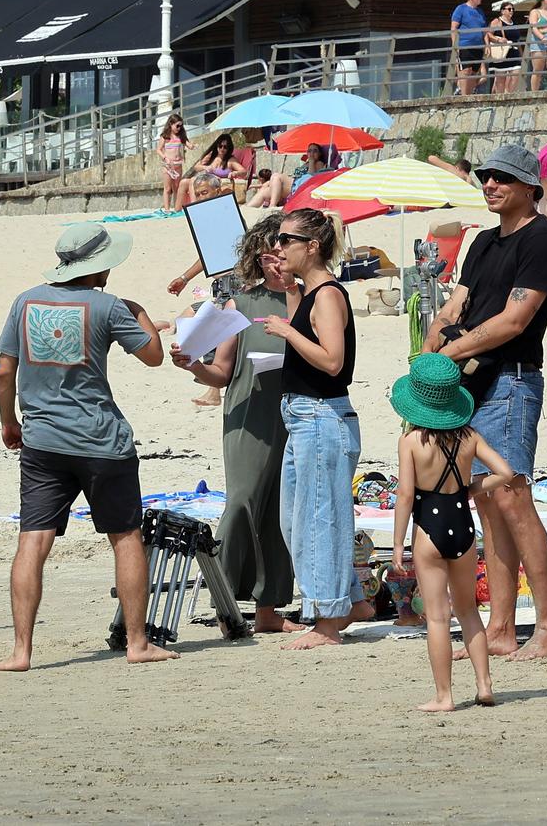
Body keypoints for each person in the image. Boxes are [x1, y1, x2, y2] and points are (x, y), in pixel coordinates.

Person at [0, 223, 173, 670]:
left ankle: (21, 651)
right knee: (125, 536)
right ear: (101, 265)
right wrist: (141, 311)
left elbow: (3, 373)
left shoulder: (26, 301)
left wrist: (8, 422)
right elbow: (153, 356)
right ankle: (137, 642)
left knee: (32, 541)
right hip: (101, 441)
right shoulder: (111, 307)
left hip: (43, 440)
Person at [423, 142, 547, 660]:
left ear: (530, 187)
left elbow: (515, 320)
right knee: (486, 502)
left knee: (512, 497)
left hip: (510, 378)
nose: (489, 184)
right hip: (470, 382)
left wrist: (451, 350)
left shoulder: (544, 239)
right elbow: (457, 303)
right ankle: (502, 628)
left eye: (502, 178)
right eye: (486, 176)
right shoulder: (483, 241)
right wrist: (431, 350)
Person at [167, 213, 294, 631]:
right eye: (272, 254)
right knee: (241, 501)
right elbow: (221, 371)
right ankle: (226, 603)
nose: (279, 261)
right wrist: (192, 368)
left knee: (279, 509)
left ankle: (269, 611)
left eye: (284, 252)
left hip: (296, 411)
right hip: (248, 412)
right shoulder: (242, 302)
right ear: (259, 257)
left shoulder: (311, 297)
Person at [258, 208, 365, 650]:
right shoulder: (312, 294)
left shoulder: (329, 295)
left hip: (322, 415)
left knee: (319, 520)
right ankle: (352, 601)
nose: (278, 248)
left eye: (286, 241)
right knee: (295, 519)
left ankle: (327, 621)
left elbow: (333, 362)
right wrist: (289, 293)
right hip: (304, 416)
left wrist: (286, 333)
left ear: (312, 246)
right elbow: (310, 337)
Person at [391, 352, 517, 711]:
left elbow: (404, 495)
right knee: (469, 612)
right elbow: (506, 473)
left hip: (428, 529)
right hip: (462, 522)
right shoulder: (470, 437)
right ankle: (484, 683)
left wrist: (398, 543)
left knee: (437, 617)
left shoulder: (411, 442)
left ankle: (444, 695)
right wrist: (473, 490)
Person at [450, 0, 488, 96]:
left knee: (474, 73)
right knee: (465, 72)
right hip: (464, 45)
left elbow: (484, 30)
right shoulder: (461, 9)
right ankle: (464, 97)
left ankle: (469, 96)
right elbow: (454, 28)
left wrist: (487, 45)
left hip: (478, 46)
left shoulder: (480, 12)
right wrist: (455, 45)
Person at [486, 0, 524, 94]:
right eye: (509, 9)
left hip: (514, 52)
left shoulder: (513, 23)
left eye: (513, 9)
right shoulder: (497, 21)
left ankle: (509, 94)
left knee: (516, 74)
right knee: (500, 78)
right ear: (502, 11)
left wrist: (522, 54)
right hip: (502, 52)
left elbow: (517, 40)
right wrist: (498, 40)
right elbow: (488, 34)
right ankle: (500, 97)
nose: (511, 11)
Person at [157, 115, 190, 212]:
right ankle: (167, 209)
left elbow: (188, 144)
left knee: (177, 188)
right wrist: (165, 157)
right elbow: (158, 149)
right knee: (167, 188)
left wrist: (192, 146)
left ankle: (177, 208)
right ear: (171, 124)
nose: (179, 128)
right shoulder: (165, 136)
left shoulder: (181, 136)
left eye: (181, 126)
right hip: (168, 166)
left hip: (178, 165)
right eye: (177, 126)